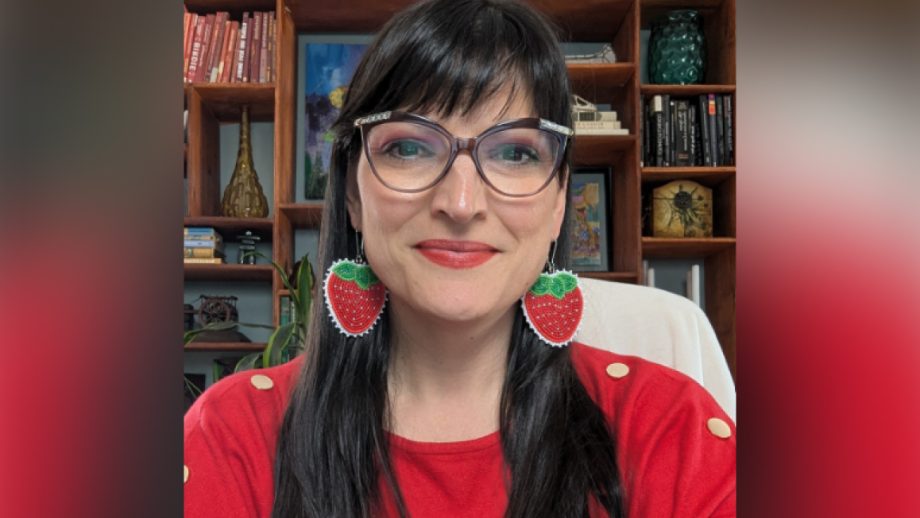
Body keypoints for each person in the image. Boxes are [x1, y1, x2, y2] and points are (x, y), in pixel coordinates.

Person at [183, 0, 736, 516]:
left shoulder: (674, 431)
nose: (460, 203)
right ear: (352, 194)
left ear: (559, 201)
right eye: (409, 147)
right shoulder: (233, 435)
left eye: (516, 153)